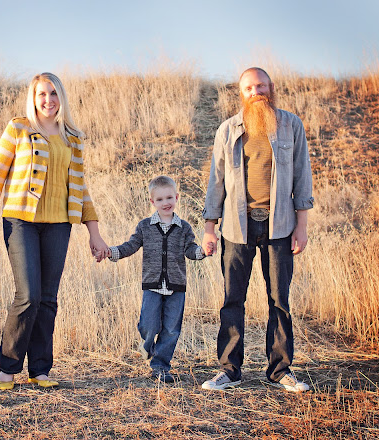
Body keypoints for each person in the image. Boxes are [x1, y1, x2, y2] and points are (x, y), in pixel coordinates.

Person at [0, 72, 109, 391]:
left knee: (47, 299)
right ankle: (8, 368)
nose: (48, 100)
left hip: (59, 224)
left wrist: (94, 232)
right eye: (42, 94)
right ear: (33, 99)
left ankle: (40, 370)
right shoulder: (19, 129)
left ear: (62, 97)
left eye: (54, 93)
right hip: (20, 221)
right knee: (28, 295)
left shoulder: (73, 137)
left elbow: (80, 188)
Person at [201, 67, 314, 392]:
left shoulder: (291, 125)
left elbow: (302, 176)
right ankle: (229, 371)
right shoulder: (227, 130)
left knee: (279, 299)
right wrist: (209, 228)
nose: (256, 92)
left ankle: (280, 371)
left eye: (261, 86)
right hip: (237, 226)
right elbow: (216, 181)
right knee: (232, 299)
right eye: (249, 88)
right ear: (242, 93)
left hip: (280, 226)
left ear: (271, 87)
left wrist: (301, 226)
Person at [106, 176, 213, 383]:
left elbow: (190, 250)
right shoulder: (145, 226)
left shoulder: (184, 227)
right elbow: (131, 246)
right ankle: (147, 345)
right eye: (160, 199)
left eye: (169, 198)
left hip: (176, 286)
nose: (166, 203)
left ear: (177, 197)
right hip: (152, 285)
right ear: (152, 202)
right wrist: (112, 252)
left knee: (171, 329)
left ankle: (160, 367)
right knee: (148, 325)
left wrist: (202, 251)